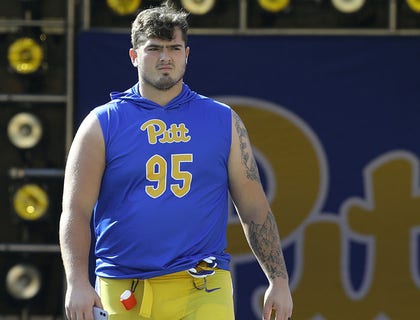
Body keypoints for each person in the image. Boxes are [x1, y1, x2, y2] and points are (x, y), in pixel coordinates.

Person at [58, 2, 293, 320]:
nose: (165, 57)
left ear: (187, 54)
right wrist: (76, 281)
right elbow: (76, 211)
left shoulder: (223, 120)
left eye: (174, 47)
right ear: (134, 56)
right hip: (124, 287)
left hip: (203, 286)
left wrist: (278, 280)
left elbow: (254, 208)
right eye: (153, 48)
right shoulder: (101, 123)